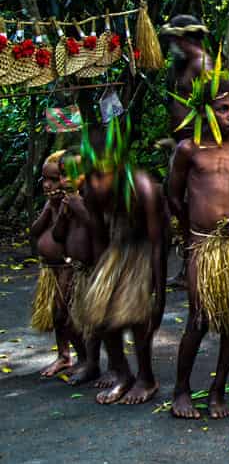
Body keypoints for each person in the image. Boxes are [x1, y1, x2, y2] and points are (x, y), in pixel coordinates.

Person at [167, 70, 229, 419]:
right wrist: (190, 231)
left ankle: (218, 390)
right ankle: (181, 389)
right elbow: (173, 195)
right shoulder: (189, 149)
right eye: (224, 109)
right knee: (199, 317)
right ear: (205, 110)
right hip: (204, 244)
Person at [70, 118, 168, 405]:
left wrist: (158, 292)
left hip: (145, 250)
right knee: (102, 318)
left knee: (139, 321)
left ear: (119, 167)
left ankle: (146, 378)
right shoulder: (90, 188)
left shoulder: (144, 188)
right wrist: (101, 279)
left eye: (103, 174)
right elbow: (100, 235)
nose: (97, 182)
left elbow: (158, 243)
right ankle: (122, 373)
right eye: (92, 175)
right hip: (117, 248)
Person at [50, 151, 101, 386]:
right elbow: (58, 235)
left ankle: (104, 366)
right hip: (77, 269)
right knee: (71, 320)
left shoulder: (92, 199)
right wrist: (63, 212)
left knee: (99, 323)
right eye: (62, 175)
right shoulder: (67, 200)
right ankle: (85, 360)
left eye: (73, 174)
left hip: (96, 270)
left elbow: (101, 231)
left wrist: (79, 208)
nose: (66, 180)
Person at [29, 151, 79, 377]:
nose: (47, 185)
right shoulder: (51, 204)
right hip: (50, 269)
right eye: (44, 179)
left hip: (67, 267)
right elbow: (35, 230)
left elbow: (60, 236)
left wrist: (61, 209)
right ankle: (64, 355)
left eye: (53, 179)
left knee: (64, 313)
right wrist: (49, 207)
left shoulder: (72, 204)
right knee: (58, 314)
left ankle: (83, 356)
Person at [162, 15, 213, 140]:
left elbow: (213, 106)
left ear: (183, 39)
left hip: (196, 139)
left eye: (173, 40)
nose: (171, 45)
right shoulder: (183, 62)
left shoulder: (202, 65)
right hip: (184, 139)